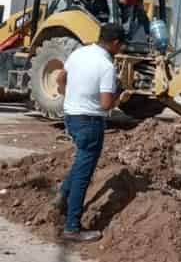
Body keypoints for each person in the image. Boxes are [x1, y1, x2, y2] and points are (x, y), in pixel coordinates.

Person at [52, 24, 125, 242]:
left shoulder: (79, 53)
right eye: (121, 46)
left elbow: (60, 80)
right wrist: (119, 95)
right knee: (84, 175)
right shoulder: (106, 66)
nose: (121, 49)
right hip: (91, 123)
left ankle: (62, 196)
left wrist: (71, 96)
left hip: (71, 117)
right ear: (115, 43)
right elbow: (105, 104)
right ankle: (72, 227)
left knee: (81, 161)